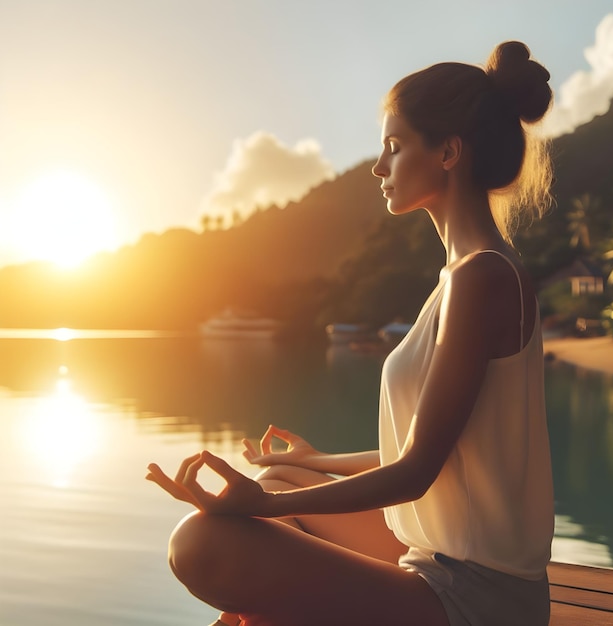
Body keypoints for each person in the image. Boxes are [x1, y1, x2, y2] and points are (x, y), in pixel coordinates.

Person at [146, 41, 555, 626]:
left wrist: (265, 505)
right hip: (440, 558)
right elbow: (442, 451)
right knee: (285, 472)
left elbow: (417, 470)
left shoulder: (484, 277)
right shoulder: (462, 276)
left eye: (393, 146)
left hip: (478, 598)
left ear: (448, 152)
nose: (378, 167)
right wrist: (321, 462)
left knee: (200, 544)